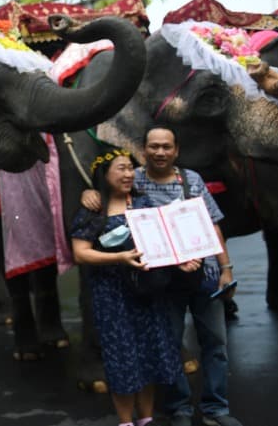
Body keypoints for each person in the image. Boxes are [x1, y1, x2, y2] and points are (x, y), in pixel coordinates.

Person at [82, 125, 241, 426]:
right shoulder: (134, 179)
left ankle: (216, 408)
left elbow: (213, 224)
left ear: (176, 150)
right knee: (169, 345)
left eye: (166, 146)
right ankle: (179, 407)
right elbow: (107, 186)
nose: (160, 152)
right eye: (153, 146)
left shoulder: (190, 179)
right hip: (164, 279)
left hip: (203, 272)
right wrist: (90, 191)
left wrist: (225, 268)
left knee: (216, 343)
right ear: (144, 150)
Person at [70, 148, 193, 426]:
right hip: (112, 297)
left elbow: (166, 240)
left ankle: (146, 418)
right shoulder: (93, 210)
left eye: (130, 169)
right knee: (122, 359)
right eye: (121, 168)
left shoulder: (144, 204)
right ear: (105, 174)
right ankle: (126, 421)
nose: (128, 174)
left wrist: (181, 261)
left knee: (148, 355)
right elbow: (81, 253)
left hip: (148, 294)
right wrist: (119, 258)